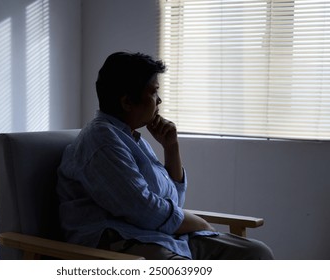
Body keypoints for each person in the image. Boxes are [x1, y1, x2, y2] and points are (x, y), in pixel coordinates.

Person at [56, 51, 274, 259]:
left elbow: (173, 202)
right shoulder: (102, 142)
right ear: (127, 102)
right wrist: (198, 223)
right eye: (153, 92)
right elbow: (144, 210)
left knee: (256, 254)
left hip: (161, 237)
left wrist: (171, 147)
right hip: (120, 245)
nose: (159, 100)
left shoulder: (131, 138)